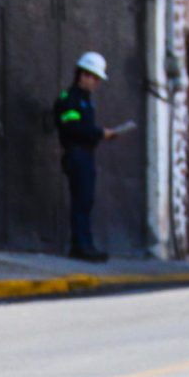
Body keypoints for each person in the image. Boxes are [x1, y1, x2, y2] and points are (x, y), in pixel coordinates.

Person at [54, 51, 136, 262]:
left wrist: (101, 135)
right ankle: (80, 246)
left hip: (85, 154)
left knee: (86, 200)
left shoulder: (85, 100)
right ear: (83, 75)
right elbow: (72, 128)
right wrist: (100, 133)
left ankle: (86, 244)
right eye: (94, 78)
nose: (97, 83)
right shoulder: (70, 99)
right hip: (76, 154)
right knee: (81, 200)